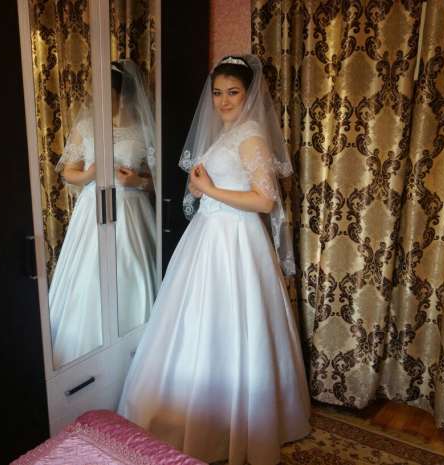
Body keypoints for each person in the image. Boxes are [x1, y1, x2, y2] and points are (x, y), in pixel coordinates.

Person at [117, 55, 310, 465]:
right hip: (208, 235)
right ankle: (201, 414)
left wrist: (210, 190)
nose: (223, 101)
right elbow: (211, 185)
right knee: (199, 321)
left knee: (233, 323)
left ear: (249, 94)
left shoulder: (251, 135)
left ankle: (231, 423)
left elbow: (264, 200)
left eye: (233, 92)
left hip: (235, 240)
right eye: (218, 93)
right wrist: (200, 189)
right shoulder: (225, 134)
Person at [49, 60, 158, 368]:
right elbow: (68, 172)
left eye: (105, 92)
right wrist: (89, 175)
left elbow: (158, 180)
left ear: (122, 94)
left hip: (132, 209)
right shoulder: (86, 128)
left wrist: (137, 181)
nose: (97, 98)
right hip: (93, 208)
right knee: (89, 276)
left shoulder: (143, 130)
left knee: (131, 270)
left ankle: (136, 354)